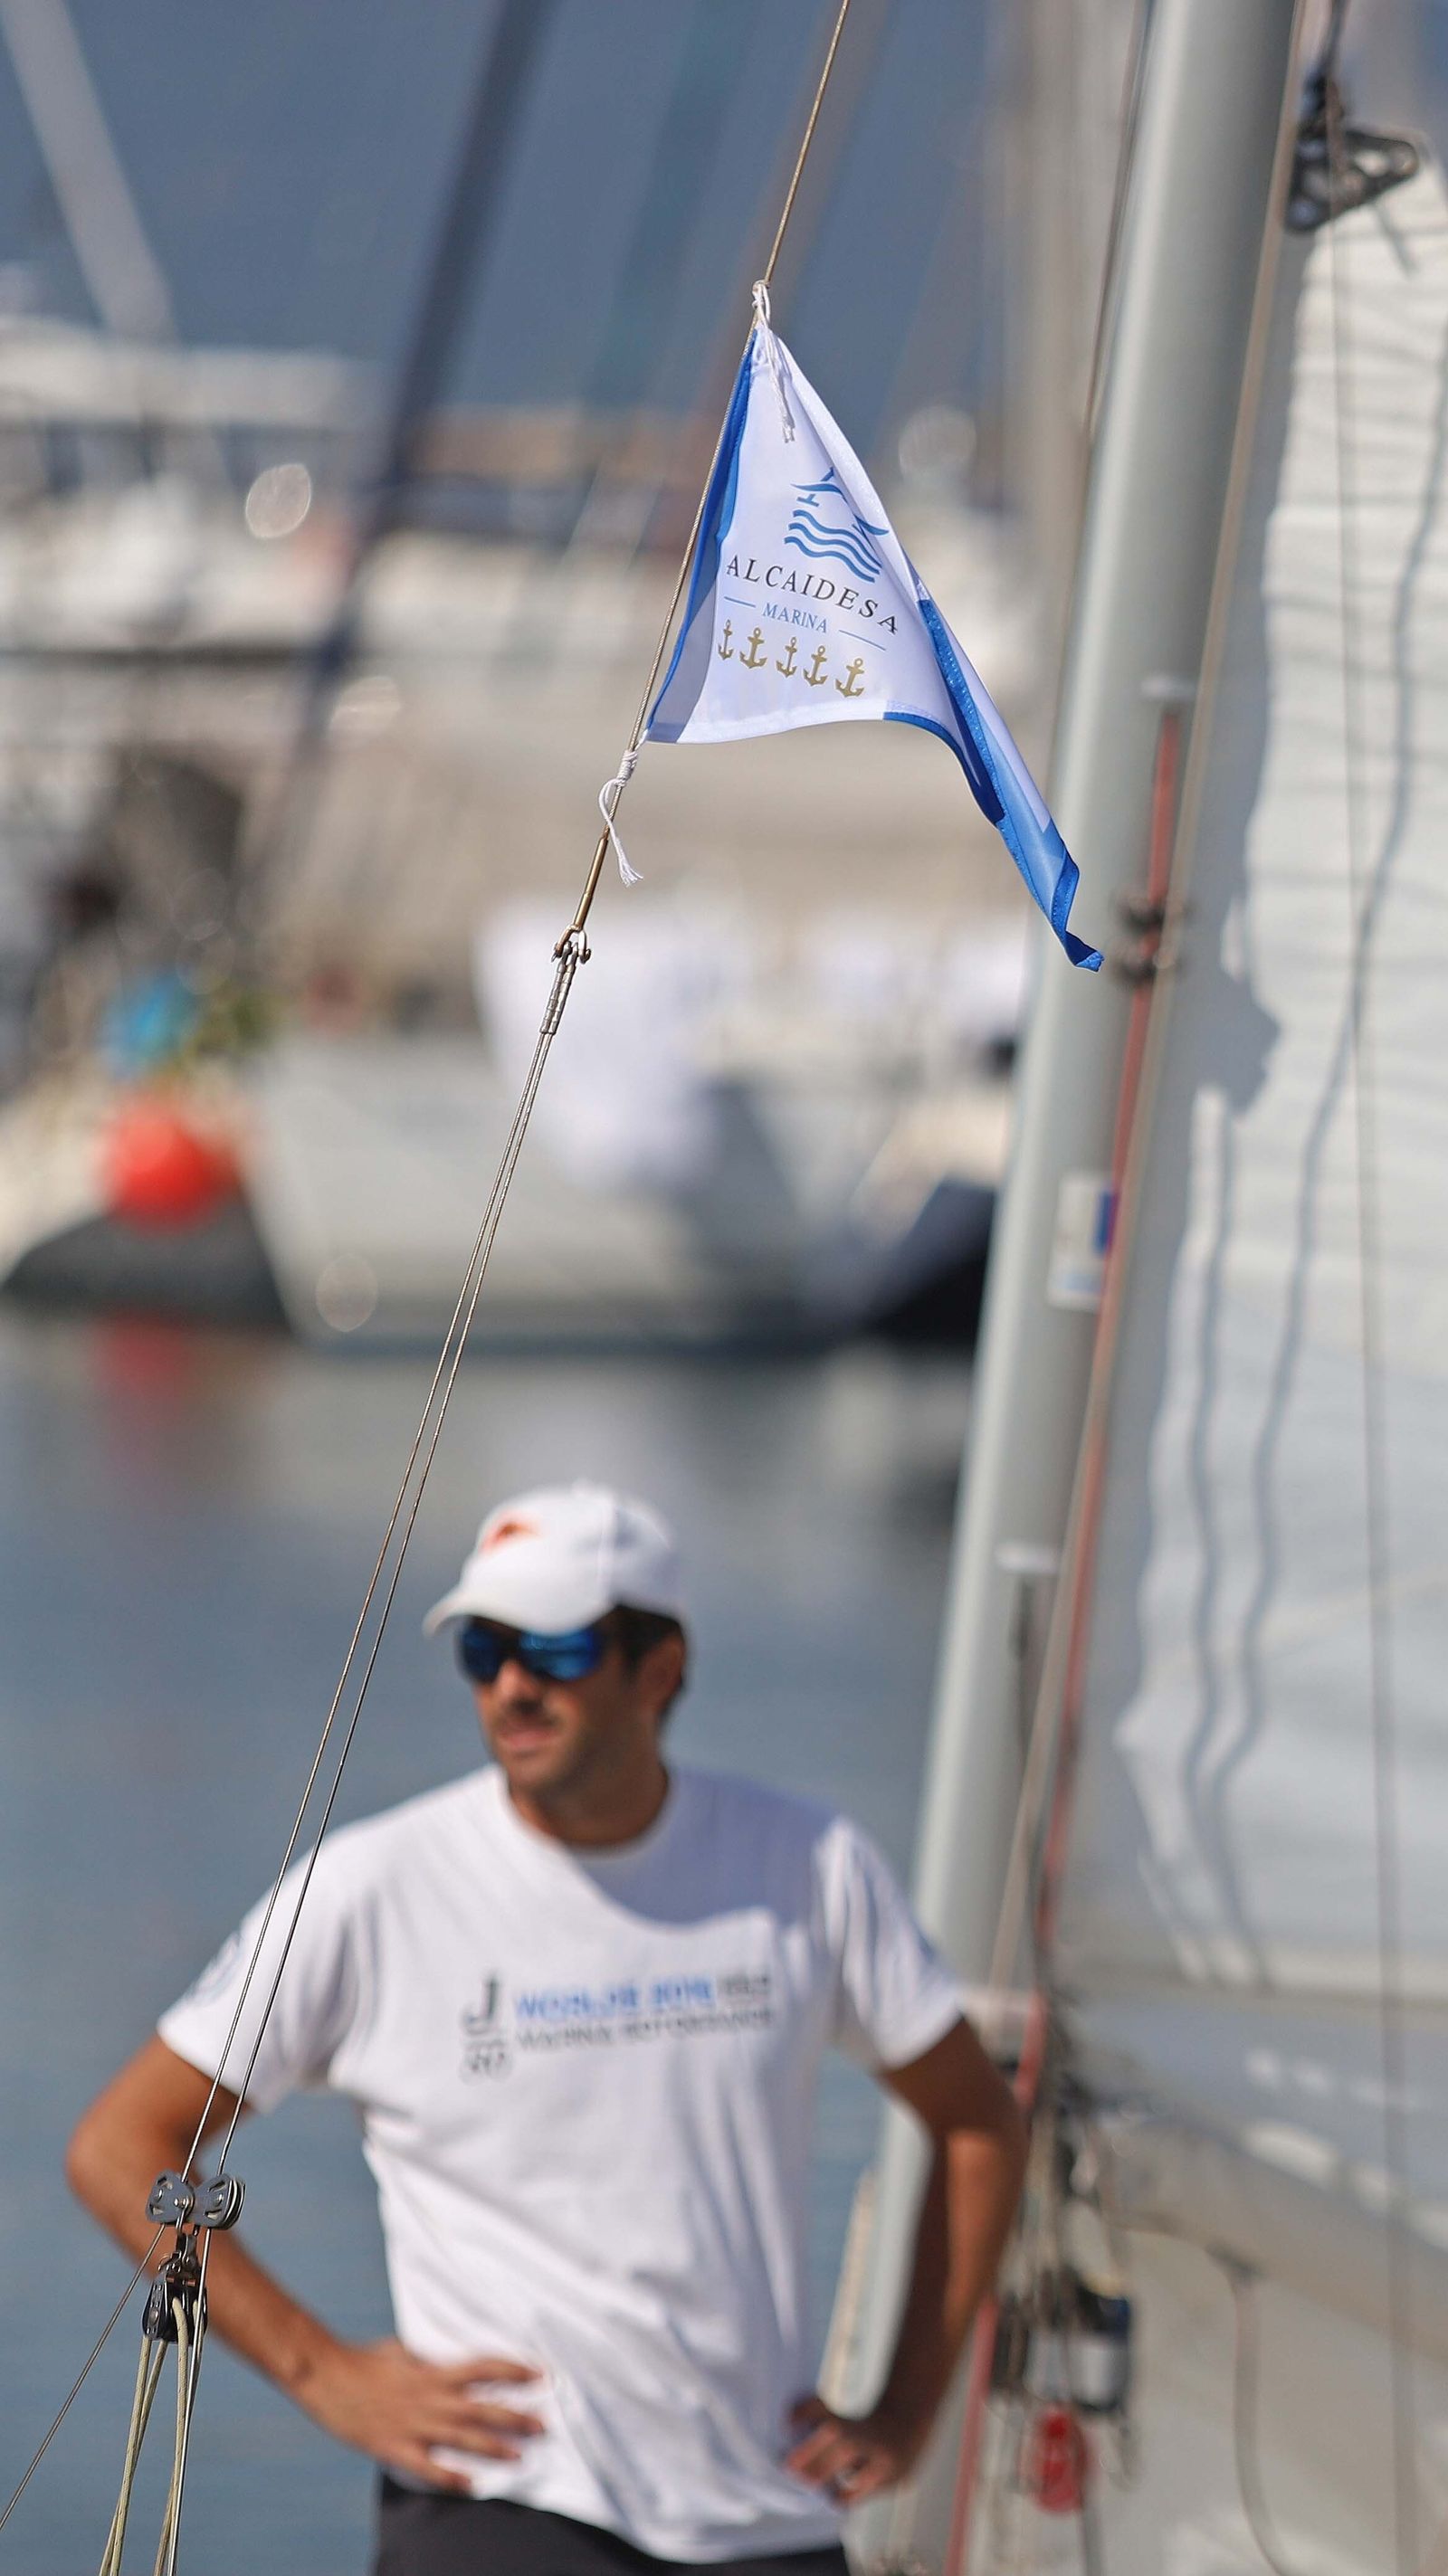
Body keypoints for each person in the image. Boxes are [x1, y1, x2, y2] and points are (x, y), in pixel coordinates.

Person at [68, 1482, 1025, 2576]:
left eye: (556, 1651)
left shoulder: (810, 1866)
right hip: (499, 2503)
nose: (513, 1686)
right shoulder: (369, 1889)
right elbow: (121, 2146)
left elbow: (978, 2122)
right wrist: (323, 2374)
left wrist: (906, 2411)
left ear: (659, 1670)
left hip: (771, 2513)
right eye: (484, 1650)